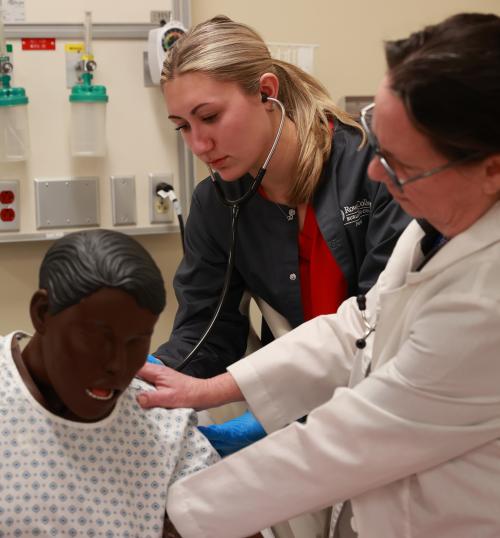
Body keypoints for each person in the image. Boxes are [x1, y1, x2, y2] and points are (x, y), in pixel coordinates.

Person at [138, 12, 500, 538]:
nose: (375, 172)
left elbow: (356, 439)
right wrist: (206, 388)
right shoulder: (432, 233)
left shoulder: (485, 301)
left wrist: (178, 515)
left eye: (397, 163)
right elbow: (356, 326)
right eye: (377, 146)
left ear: (492, 169)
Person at [148, 15, 410, 383]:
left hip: (390, 395)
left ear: (266, 92)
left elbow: (386, 322)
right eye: (183, 126)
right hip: (294, 403)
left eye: (209, 116)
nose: (198, 145)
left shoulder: (372, 167)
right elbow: (207, 334)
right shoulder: (216, 205)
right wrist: (148, 374)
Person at [0, 229, 220, 537]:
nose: (117, 365)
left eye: (136, 341)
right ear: (42, 314)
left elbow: (227, 521)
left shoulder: (163, 428)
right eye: (96, 338)